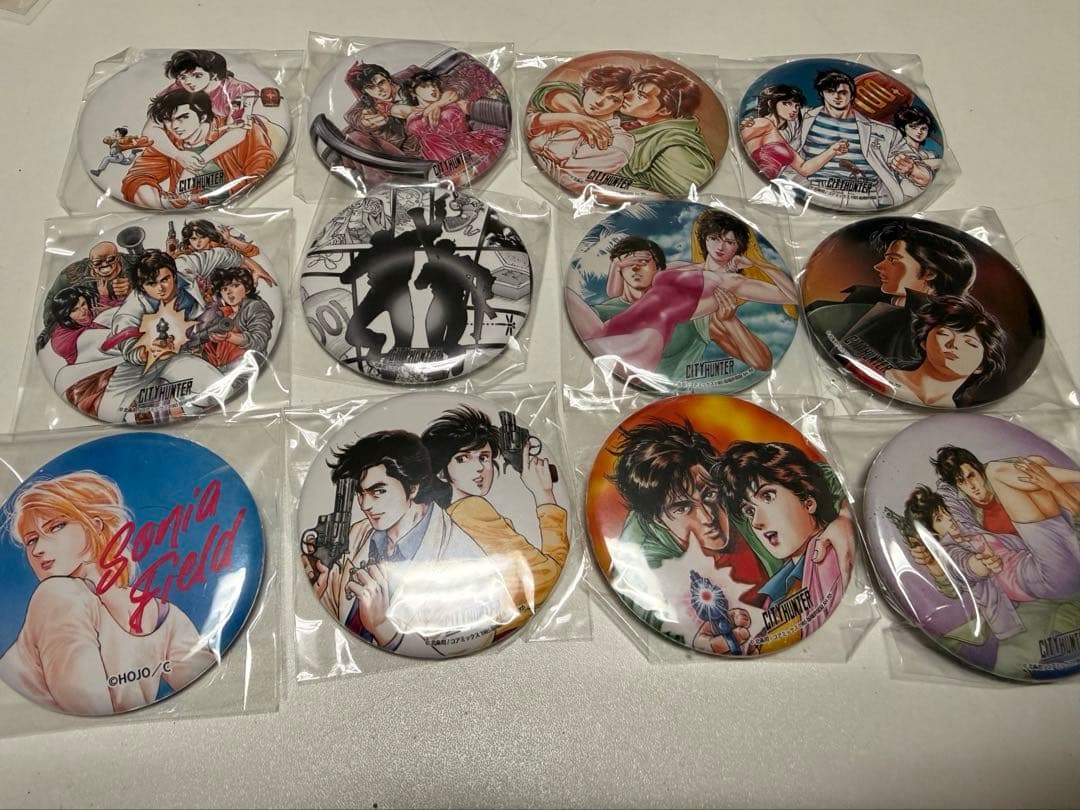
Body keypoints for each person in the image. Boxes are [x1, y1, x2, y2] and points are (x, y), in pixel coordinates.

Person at [0, 472, 214, 716]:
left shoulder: (164, 616)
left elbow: (212, 694)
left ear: (95, 525)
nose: (37, 549)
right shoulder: (57, 595)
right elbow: (87, 705)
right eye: (31, 540)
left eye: (56, 526)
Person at [300, 431, 515, 656]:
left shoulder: (468, 564)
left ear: (413, 488)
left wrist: (385, 629)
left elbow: (467, 653)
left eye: (378, 492)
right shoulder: (359, 533)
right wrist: (319, 587)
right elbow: (338, 612)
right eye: (360, 494)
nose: (364, 505)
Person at [606, 418, 766, 653]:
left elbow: (803, 475)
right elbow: (642, 599)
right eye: (682, 508)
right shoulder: (644, 558)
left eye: (709, 494)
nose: (707, 516)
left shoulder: (739, 501)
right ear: (657, 520)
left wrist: (827, 525)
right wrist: (691, 636)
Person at [420, 406, 569, 637]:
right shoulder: (471, 509)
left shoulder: (448, 518)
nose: (480, 468)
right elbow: (547, 579)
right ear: (441, 472)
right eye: (462, 459)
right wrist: (544, 494)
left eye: (484, 457)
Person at [566, 226, 795, 373]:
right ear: (705, 240)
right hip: (612, 326)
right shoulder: (681, 266)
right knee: (566, 293)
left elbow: (791, 296)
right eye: (715, 238)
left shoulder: (733, 284)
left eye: (730, 242)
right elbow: (615, 293)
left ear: (739, 248)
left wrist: (759, 264)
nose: (720, 246)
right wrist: (617, 265)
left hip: (645, 340)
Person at [714, 441, 854, 651]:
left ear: (808, 502)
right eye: (749, 511)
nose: (756, 522)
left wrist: (845, 514)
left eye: (768, 497)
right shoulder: (779, 589)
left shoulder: (829, 556)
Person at [806, 220, 977, 369]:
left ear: (929, 273)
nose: (878, 266)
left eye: (893, 260)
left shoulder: (934, 338)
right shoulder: (862, 305)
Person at [95, 250, 222, 423]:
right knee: (109, 414)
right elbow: (127, 344)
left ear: (174, 274)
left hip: (176, 356)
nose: (160, 288)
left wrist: (251, 265)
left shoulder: (185, 268)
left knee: (218, 388)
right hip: (137, 368)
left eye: (165, 280)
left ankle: (179, 408)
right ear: (142, 287)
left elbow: (221, 255)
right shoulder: (130, 310)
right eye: (151, 284)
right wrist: (144, 352)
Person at [792, 69, 928, 208]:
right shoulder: (800, 120)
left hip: (867, 201)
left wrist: (911, 168)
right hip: (812, 197)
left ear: (852, 95)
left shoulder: (886, 132)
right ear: (822, 93)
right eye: (830, 91)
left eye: (843, 92)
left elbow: (924, 177)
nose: (836, 96)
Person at [123, 89, 278, 209]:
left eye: (183, 117)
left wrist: (191, 169)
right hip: (193, 215)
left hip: (243, 208)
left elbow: (261, 170)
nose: (175, 126)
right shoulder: (168, 143)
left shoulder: (244, 130)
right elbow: (137, 178)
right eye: (168, 120)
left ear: (203, 116)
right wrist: (161, 208)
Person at [885, 295, 1007, 407]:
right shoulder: (884, 375)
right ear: (924, 341)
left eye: (970, 343)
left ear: (981, 365)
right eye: (944, 334)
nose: (954, 344)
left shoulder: (960, 414)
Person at [526, 65, 635, 185]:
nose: (599, 101)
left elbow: (571, 180)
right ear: (586, 89)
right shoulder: (569, 114)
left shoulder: (617, 141)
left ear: (622, 105)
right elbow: (524, 125)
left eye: (613, 99)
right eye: (597, 91)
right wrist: (572, 118)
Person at [739, 85, 849, 180]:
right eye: (786, 103)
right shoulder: (763, 123)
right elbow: (736, 141)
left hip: (766, 183)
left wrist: (832, 151)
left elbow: (804, 169)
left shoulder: (776, 133)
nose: (794, 109)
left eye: (797, 106)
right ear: (771, 103)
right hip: (751, 179)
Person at [399, 71, 506, 168]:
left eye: (434, 85)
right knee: (430, 140)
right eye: (425, 86)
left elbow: (489, 110)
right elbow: (411, 147)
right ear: (412, 92)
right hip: (439, 160)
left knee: (432, 139)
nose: (432, 89)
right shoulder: (411, 116)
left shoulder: (451, 101)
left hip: (467, 148)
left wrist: (437, 105)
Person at [188, 266, 274, 371]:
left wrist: (230, 337)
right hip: (221, 372)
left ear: (247, 288)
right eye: (224, 289)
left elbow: (259, 341)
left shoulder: (255, 306)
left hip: (245, 368)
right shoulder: (223, 316)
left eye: (235, 286)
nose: (229, 292)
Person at [160, 49, 259, 128]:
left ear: (213, 74)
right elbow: (159, 105)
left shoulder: (238, 90)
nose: (188, 82)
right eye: (182, 77)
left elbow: (237, 126)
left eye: (197, 76)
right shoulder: (182, 85)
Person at [177, 219, 274, 299]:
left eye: (202, 237)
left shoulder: (222, 250)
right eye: (193, 239)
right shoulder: (189, 255)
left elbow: (253, 251)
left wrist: (230, 239)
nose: (198, 242)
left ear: (210, 236)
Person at [44, 240, 133, 321]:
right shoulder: (73, 274)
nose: (104, 264)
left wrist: (133, 289)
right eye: (98, 262)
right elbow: (51, 303)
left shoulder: (132, 264)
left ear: (117, 258)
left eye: (110, 259)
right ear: (91, 264)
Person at [36, 286, 107, 364]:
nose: (83, 310)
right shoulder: (62, 338)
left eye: (83, 304)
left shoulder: (87, 314)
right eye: (75, 310)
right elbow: (96, 336)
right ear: (65, 314)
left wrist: (104, 298)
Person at [893, 105, 940, 198]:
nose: (919, 132)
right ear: (903, 128)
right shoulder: (898, 150)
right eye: (913, 127)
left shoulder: (929, 154)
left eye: (923, 128)